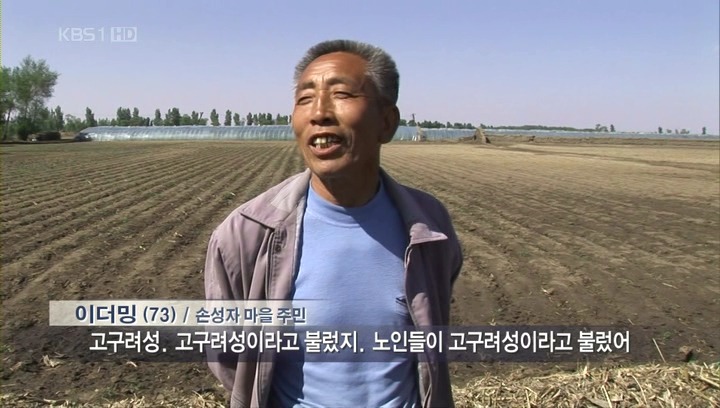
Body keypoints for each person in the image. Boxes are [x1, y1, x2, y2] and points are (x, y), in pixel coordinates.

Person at [204, 39, 463, 408]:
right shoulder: (245, 234)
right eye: (305, 98)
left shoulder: (429, 226)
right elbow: (229, 356)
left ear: (386, 122)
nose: (319, 113)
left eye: (341, 94)